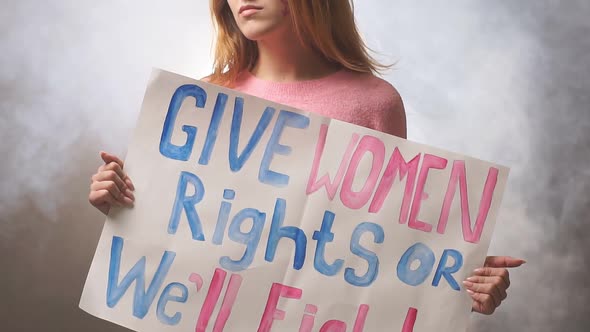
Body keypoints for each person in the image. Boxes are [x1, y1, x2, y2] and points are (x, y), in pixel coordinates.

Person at [89, 0, 524, 317]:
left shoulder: (375, 103)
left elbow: (380, 243)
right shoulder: (207, 98)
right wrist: (122, 200)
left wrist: (457, 275)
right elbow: (178, 233)